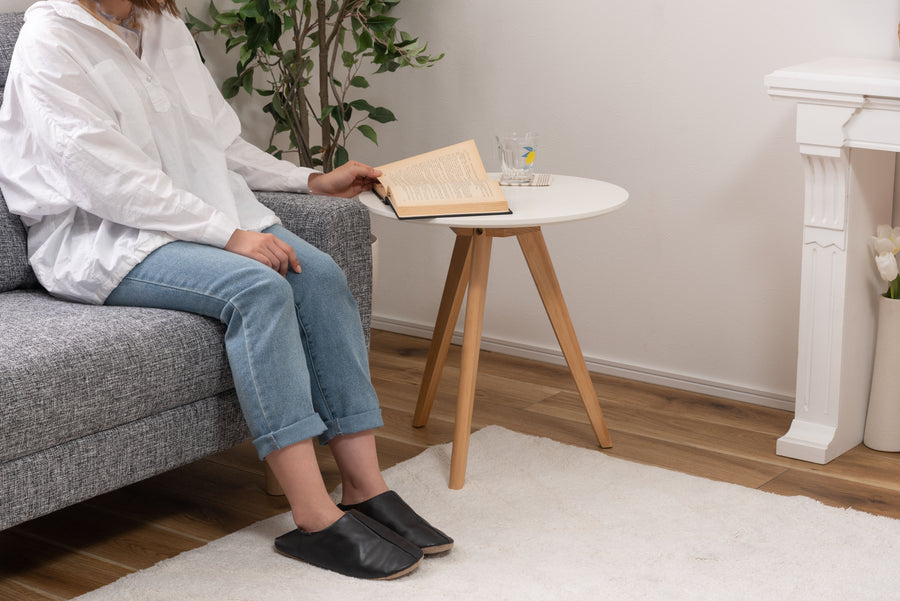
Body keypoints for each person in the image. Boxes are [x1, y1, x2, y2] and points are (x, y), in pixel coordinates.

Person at [0, 0, 452, 581]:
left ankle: (365, 488)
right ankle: (314, 518)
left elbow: (218, 142)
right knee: (257, 289)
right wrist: (226, 234)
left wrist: (309, 180)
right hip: (102, 238)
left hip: (194, 220)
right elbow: (102, 176)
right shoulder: (51, 36)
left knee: (320, 274)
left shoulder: (163, 26)